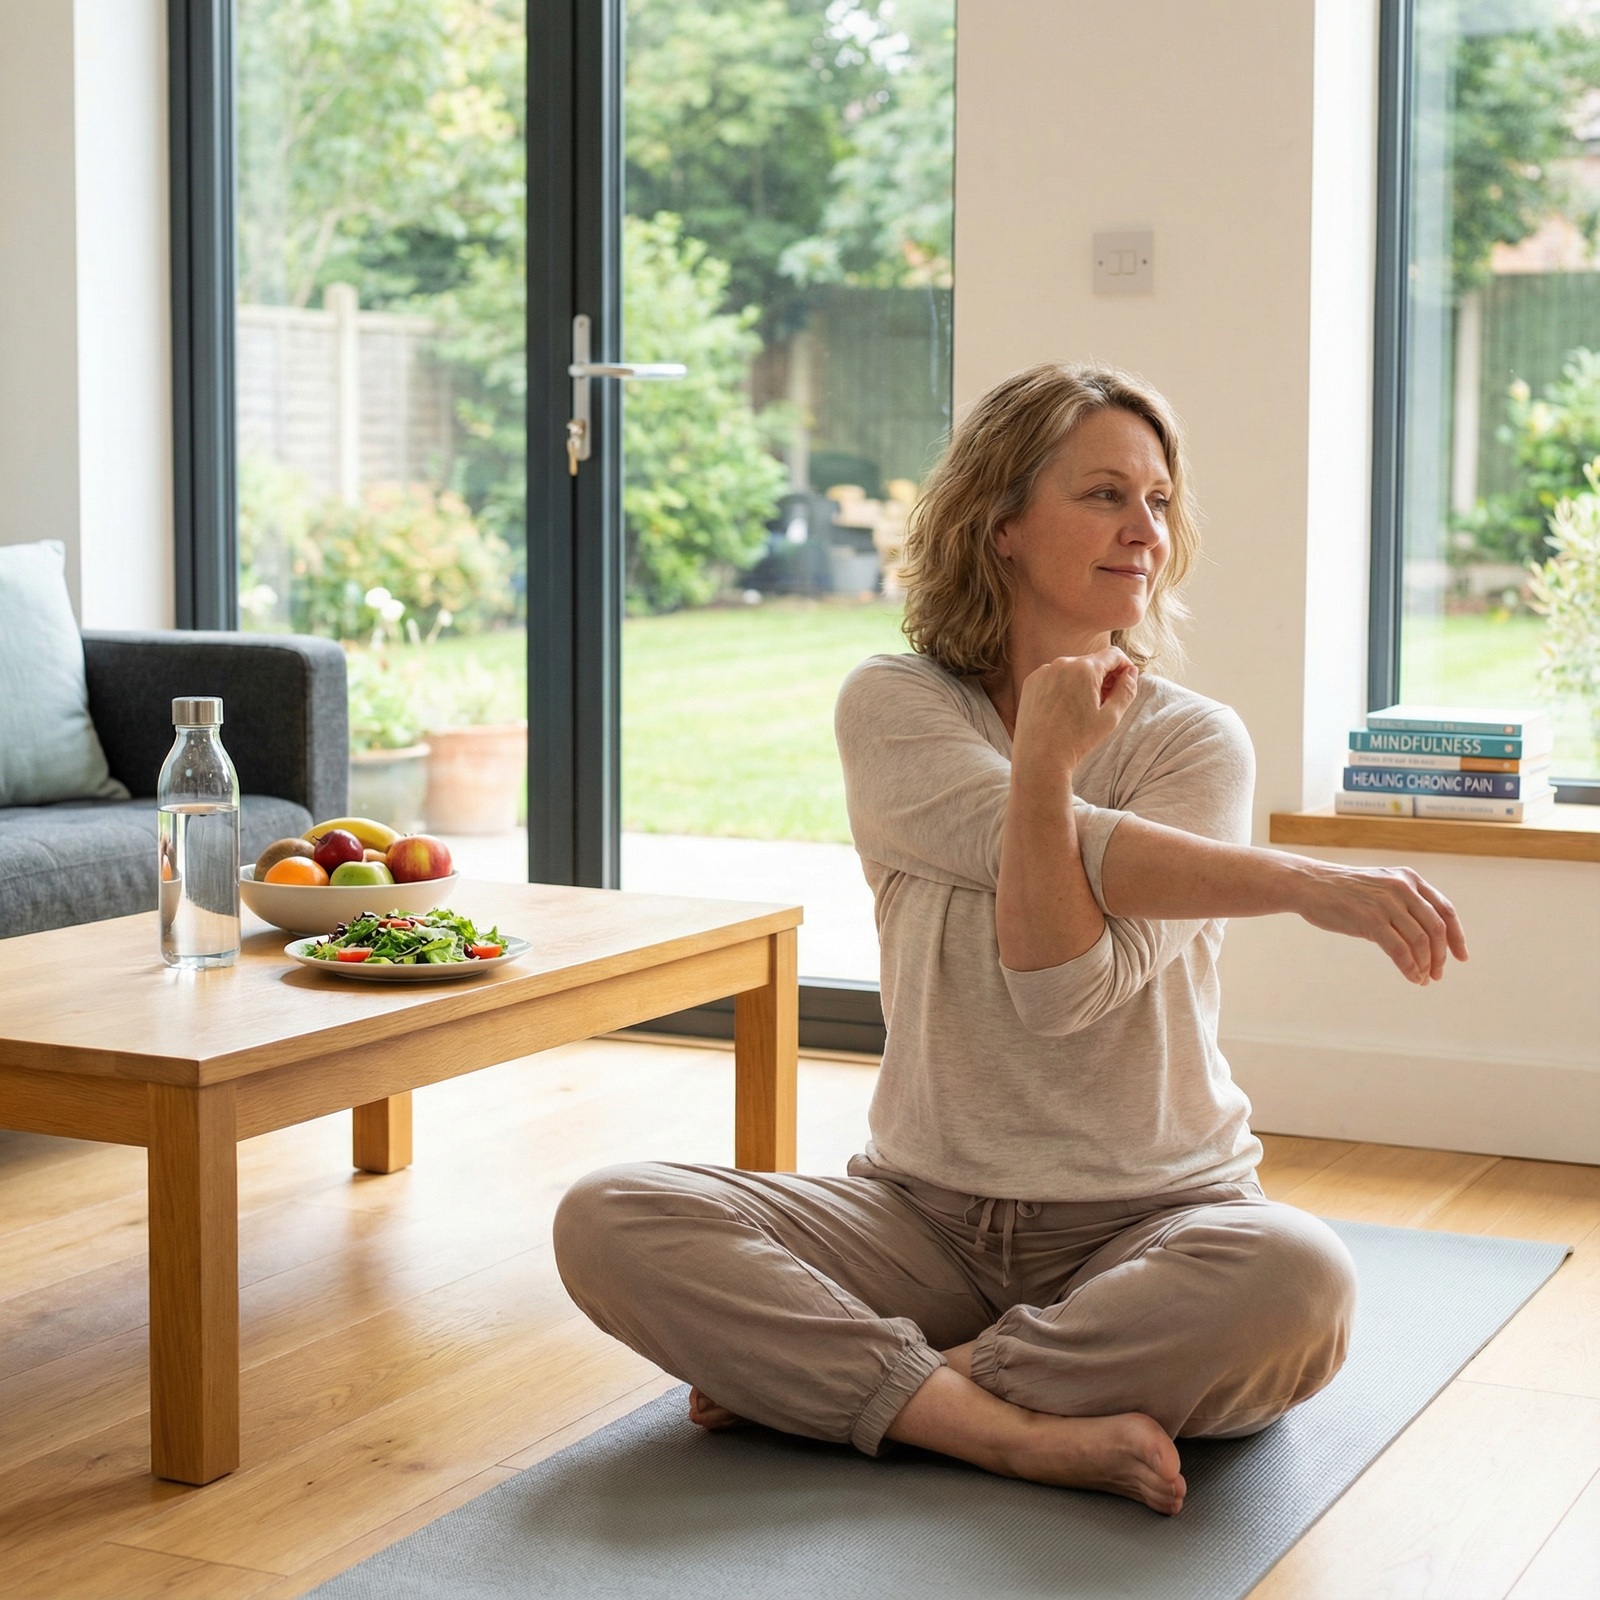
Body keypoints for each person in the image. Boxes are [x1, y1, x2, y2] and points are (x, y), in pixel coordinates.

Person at [554, 363, 1468, 1516]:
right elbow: (1023, 840)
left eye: (1159, 501)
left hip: (1154, 1220)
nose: (1146, 531)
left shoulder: (1194, 745)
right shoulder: (894, 706)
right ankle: (1009, 1429)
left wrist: (1047, 773)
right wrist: (1295, 881)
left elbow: (1059, 990)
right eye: (1104, 496)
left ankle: (893, 1389)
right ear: (999, 524)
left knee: (1299, 1281)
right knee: (609, 1215)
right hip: (919, 1217)